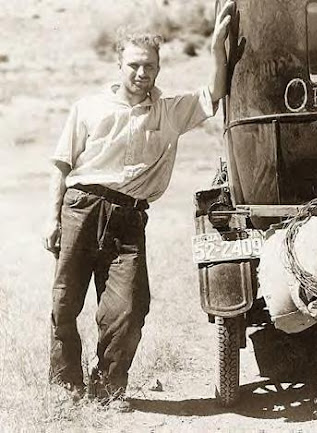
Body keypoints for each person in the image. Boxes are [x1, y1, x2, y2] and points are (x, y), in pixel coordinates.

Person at [42, 1, 234, 410]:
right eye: (133, 65)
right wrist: (52, 218)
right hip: (81, 208)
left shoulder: (169, 110)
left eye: (149, 65)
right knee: (64, 304)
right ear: (119, 64)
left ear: (159, 68)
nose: (142, 73)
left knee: (128, 310)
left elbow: (214, 94)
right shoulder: (87, 108)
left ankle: (107, 388)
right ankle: (65, 389)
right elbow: (61, 166)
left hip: (129, 220)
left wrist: (217, 46)